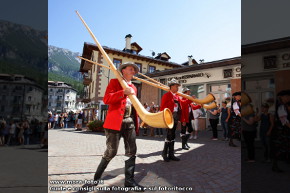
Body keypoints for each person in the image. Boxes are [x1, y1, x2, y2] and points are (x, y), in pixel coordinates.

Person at [92, 62, 144, 190]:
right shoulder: (115, 82)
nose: (133, 72)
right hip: (114, 122)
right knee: (111, 152)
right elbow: (107, 99)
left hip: (129, 121)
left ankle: (129, 181)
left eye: (134, 70)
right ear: (123, 70)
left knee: (132, 151)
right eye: (131, 69)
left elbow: (134, 106)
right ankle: (97, 177)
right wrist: (122, 92)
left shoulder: (135, 87)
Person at [160, 79, 189, 161]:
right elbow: (162, 108)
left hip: (175, 117)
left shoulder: (177, 96)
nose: (177, 88)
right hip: (169, 118)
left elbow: (182, 105)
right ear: (171, 86)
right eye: (176, 86)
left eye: (177, 86)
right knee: (169, 135)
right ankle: (164, 153)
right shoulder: (166, 95)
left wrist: (190, 99)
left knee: (173, 135)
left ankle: (171, 154)